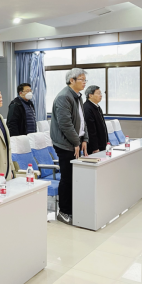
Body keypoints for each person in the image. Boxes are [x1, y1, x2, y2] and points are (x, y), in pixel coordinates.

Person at [50, 68, 89, 226]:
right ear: (71, 80)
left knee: (76, 178)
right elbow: (65, 124)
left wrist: (84, 138)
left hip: (75, 142)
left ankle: (73, 208)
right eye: (81, 79)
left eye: (85, 80)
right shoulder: (64, 97)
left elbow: (82, 121)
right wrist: (76, 142)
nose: (84, 82)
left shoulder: (77, 96)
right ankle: (64, 212)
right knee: (67, 178)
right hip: (66, 144)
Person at [84, 85, 108, 155]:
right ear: (90, 95)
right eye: (98, 93)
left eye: (101, 93)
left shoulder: (97, 106)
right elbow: (90, 130)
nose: (101, 95)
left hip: (101, 144)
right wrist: (95, 147)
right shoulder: (87, 108)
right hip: (94, 148)